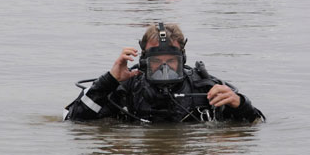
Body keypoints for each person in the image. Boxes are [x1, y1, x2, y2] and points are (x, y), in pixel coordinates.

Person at [64, 23, 265, 123]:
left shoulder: (205, 90)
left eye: (171, 62)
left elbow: (256, 122)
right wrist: (109, 80)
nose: (164, 69)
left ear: (183, 60)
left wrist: (239, 103)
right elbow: (72, 120)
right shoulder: (125, 90)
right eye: (157, 63)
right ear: (143, 62)